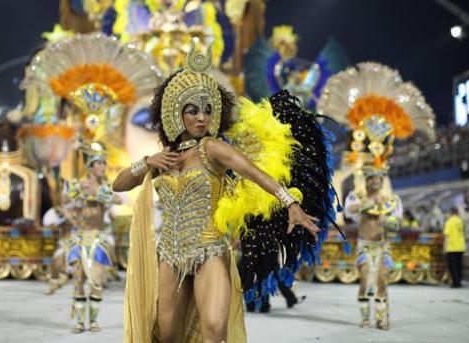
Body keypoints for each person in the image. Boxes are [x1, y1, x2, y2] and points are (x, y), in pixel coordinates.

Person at [114, 43, 328, 342]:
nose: (201, 117)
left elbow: (253, 172)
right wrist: (147, 162)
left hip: (210, 250)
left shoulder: (211, 148)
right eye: (193, 110)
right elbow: (119, 184)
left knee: (215, 330)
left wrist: (290, 202)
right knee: (166, 337)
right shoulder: (164, 157)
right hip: (170, 255)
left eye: (207, 110)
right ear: (177, 113)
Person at [65, 148, 121, 333]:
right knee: (79, 280)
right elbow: (65, 199)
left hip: (98, 238)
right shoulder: (78, 184)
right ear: (90, 166)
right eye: (99, 163)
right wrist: (78, 196)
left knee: (96, 281)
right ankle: (80, 322)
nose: (103, 167)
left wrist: (102, 197)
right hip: (80, 238)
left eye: (104, 163)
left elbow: (119, 200)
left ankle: (94, 321)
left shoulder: (105, 187)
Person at [344, 167, 402, 330]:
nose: (375, 181)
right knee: (364, 282)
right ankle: (364, 318)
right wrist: (369, 203)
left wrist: (388, 221)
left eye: (378, 179)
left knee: (382, 282)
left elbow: (397, 223)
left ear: (382, 182)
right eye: (371, 178)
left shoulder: (390, 200)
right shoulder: (358, 198)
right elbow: (349, 210)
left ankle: (381, 319)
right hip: (364, 245)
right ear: (367, 181)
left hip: (383, 246)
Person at [443, 207, 466, 288]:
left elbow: (447, 236)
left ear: (451, 213)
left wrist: (444, 248)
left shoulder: (449, 222)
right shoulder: (460, 221)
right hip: (461, 246)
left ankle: (455, 282)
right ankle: (459, 280)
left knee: (453, 266)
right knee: (459, 265)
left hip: (452, 247)